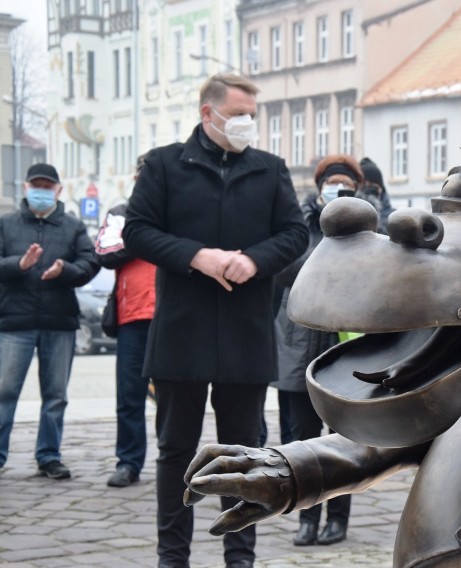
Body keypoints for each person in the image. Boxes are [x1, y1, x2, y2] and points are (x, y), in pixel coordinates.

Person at [122, 73, 309, 568]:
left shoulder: (269, 170)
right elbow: (137, 231)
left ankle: (240, 555)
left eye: (253, 113)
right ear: (209, 114)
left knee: (245, 454)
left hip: (246, 332)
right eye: (239, 112)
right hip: (182, 330)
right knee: (175, 449)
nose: (248, 122)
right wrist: (195, 255)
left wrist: (254, 260)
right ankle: (173, 555)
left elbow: (294, 234)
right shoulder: (165, 165)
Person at [269, 154, 364, 547]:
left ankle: (337, 518)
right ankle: (307, 518)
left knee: (343, 443)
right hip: (298, 347)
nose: (337, 191)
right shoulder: (299, 226)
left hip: (347, 351)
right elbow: (283, 269)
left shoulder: (369, 228)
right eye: (331, 184)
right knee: (301, 442)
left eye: (345, 187)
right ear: (320, 187)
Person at [0, 163, 100, 480]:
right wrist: (20, 263)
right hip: (15, 322)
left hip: (59, 321)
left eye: (48, 186)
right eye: (36, 186)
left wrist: (65, 270)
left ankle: (49, 456)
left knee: (55, 395)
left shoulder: (73, 226)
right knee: (4, 392)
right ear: (26, 188)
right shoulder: (6, 224)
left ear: (58, 190)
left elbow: (90, 262)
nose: (42, 191)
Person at [94, 155, 157, 488]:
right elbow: (105, 252)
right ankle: (129, 462)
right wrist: (144, 233)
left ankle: (173, 462)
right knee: (129, 397)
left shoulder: (177, 213)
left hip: (172, 318)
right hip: (132, 317)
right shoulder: (120, 213)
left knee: (173, 398)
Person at [358, 157, 395, 234]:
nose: (368, 188)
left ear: (380, 189)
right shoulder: (351, 216)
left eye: (372, 184)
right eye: (364, 185)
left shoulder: (393, 218)